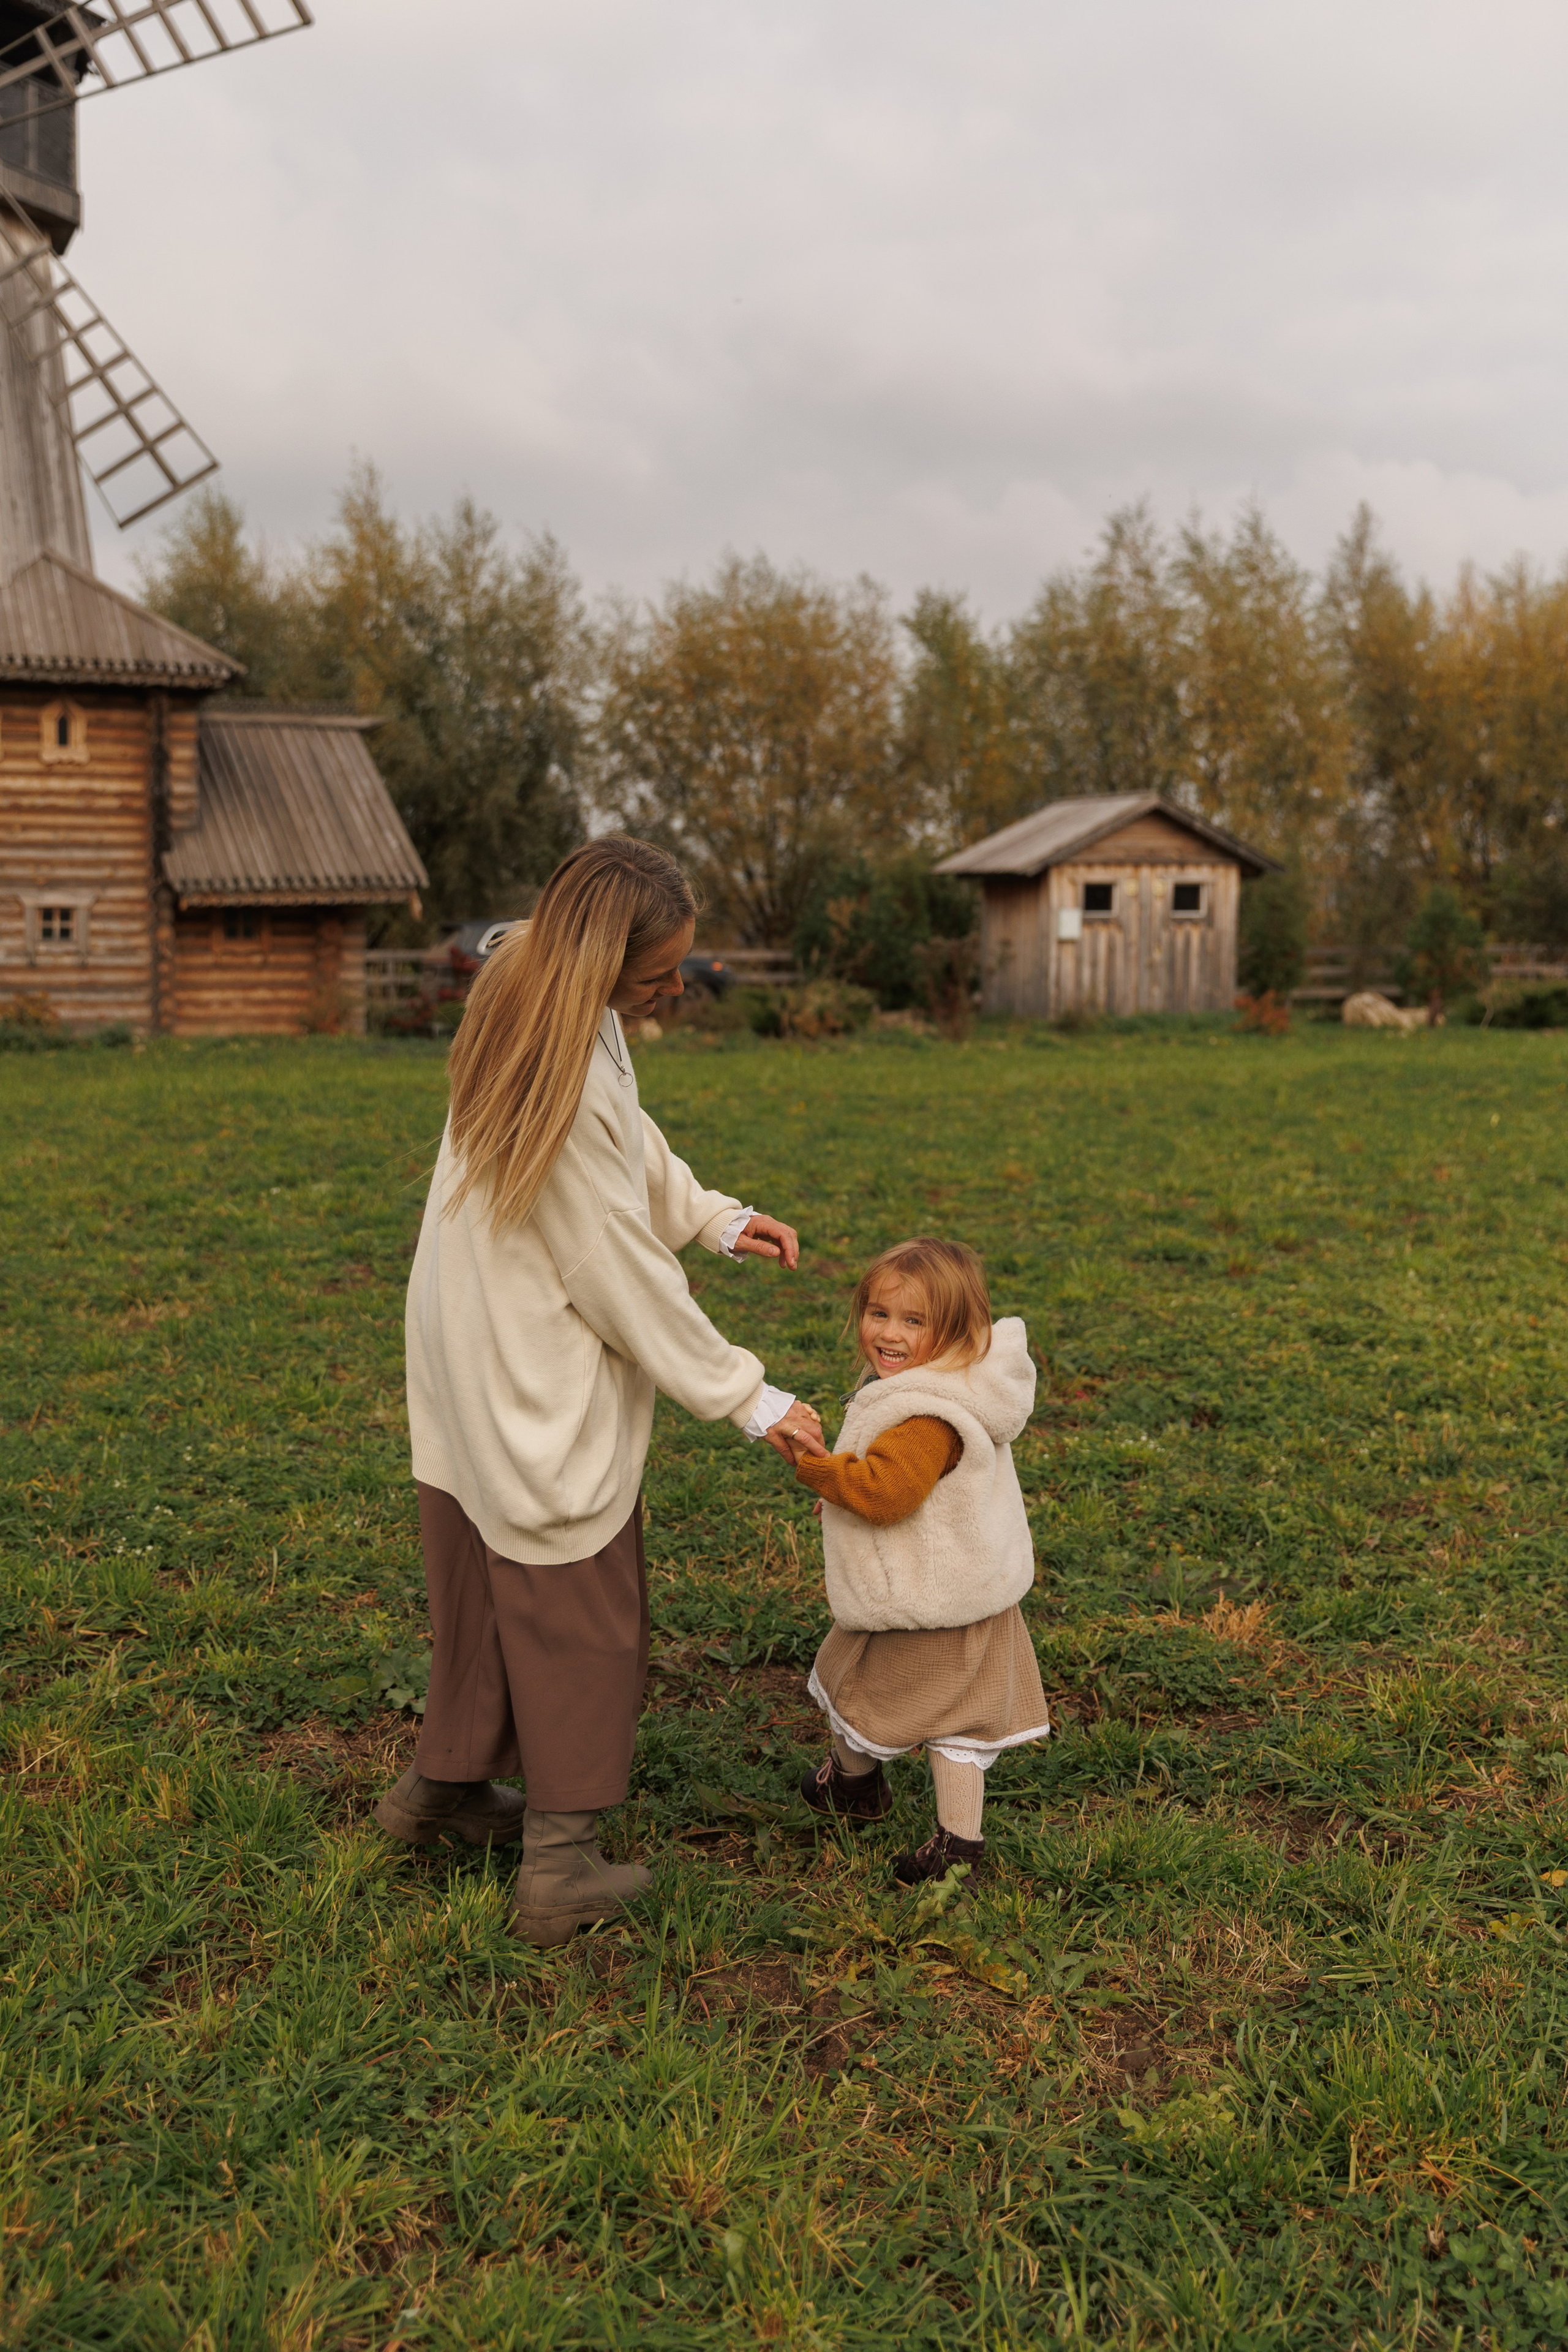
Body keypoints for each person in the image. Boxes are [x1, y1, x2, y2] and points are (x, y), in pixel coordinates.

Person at [374, 837, 826, 1947]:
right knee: (579, 1605)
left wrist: (714, 1213)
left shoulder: (534, 989)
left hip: (463, 1330)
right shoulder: (559, 1063)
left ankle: (442, 1795)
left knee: (484, 1572)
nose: (673, 990)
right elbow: (617, 1270)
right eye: (653, 975)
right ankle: (561, 1871)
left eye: (677, 967)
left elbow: (632, 1147)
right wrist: (750, 1397)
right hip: (528, 1347)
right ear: (596, 965)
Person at [778, 1237, 1049, 1887]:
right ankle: (853, 1785)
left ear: (954, 1331)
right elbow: (909, 1492)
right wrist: (847, 1493)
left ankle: (959, 1847)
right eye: (878, 1313)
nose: (888, 1334)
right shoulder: (944, 1385)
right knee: (858, 1685)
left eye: (913, 1321)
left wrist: (816, 1470)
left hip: (935, 1609)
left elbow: (888, 1491)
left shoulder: (927, 1416)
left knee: (951, 1724)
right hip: (935, 1589)